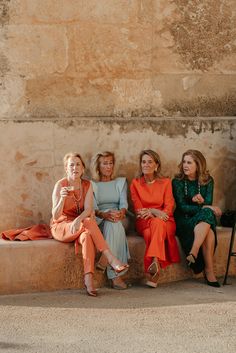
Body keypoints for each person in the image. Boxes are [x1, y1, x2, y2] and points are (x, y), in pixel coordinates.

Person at [50, 152, 128, 297]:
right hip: (62, 226)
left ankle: (89, 279)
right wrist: (62, 199)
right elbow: (55, 216)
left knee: (87, 235)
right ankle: (111, 258)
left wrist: (78, 219)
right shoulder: (60, 185)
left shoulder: (87, 185)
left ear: (83, 168)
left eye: (78, 164)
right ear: (66, 169)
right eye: (71, 165)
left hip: (79, 223)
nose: (75, 168)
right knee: (88, 222)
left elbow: (88, 210)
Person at [130, 150, 180, 288]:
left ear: (156, 165)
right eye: (143, 162)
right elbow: (139, 210)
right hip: (144, 220)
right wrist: (153, 211)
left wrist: (158, 213)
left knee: (150, 232)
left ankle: (154, 266)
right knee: (151, 227)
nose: (146, 165)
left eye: (150, 162)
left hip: (165, 220)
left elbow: (169, 206)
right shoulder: (135, 183)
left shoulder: (165, 182)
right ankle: (156, 264)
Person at [172, 149, 222, 287]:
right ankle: (209, 271)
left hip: (202, 220)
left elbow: (208, 202)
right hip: (184, 219)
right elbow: (182, 207)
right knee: (208, 221)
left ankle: (194, 251)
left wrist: (203, 204)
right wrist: (206, 207)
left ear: (198, 165)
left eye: (189, 162)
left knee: (207, 219)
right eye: (184, 162)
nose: (185, 165)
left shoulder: (208, 181)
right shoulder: (177, 181)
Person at [90, 151, 130, 290]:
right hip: (100, 219)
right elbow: (94, 208)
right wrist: (104, 214)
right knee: (113, 225)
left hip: (120, 217)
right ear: (98, 166)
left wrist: (121, 213)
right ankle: (116, 277)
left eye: (111, 163)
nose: (108, 166)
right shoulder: (92, 184)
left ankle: (105, 259)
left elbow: (124, 204)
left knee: (115, 223)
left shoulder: (120, 182)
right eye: (104, 163)